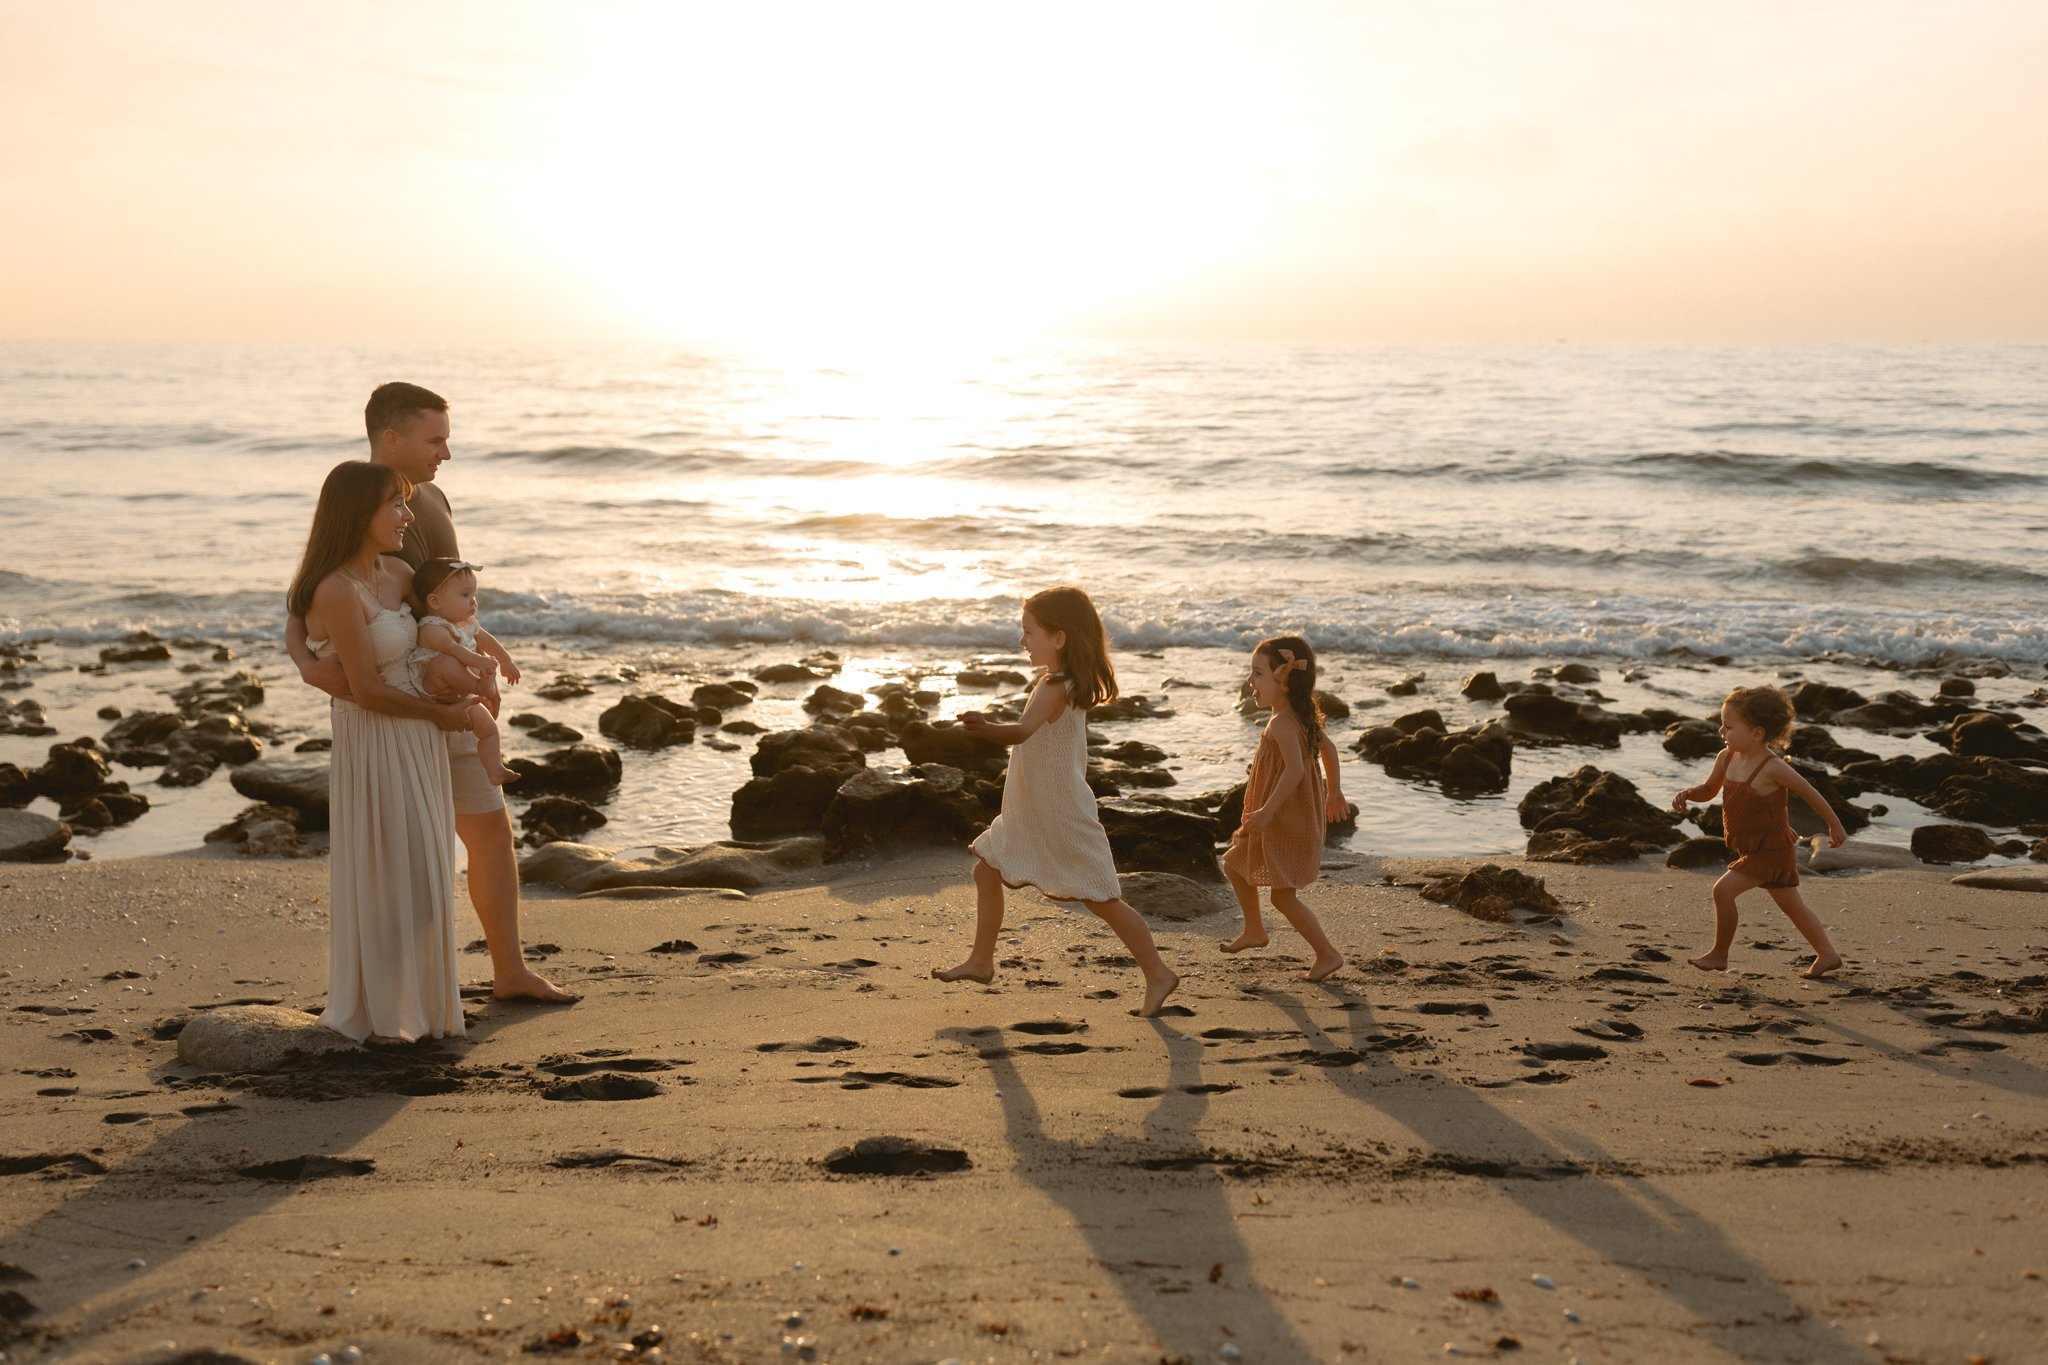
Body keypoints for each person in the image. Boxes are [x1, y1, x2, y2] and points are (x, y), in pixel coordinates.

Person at [285, 382, 574, 1005]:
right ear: (391, 439)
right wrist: (306, 660)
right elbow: (312, 586)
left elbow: (444, 601)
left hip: (445, 693)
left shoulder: (428, 499)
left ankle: (509, 971)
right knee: (415, 853)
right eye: (435, 439)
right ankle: (406, 992)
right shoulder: (362, 503)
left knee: (490, 832)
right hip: (406, 702)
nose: (447, 451)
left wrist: (482, 663)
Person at [289, 461, 475, 1043]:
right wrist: (308, 667)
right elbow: (367, 690)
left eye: (407, 503)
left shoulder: (399, 573)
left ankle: (424, 1008)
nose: (407, 516)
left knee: (427, 871)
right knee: (390, 869)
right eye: (395, 505)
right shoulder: (336, 590)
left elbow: (453, 621)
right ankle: (385, 1015)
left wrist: (465, 687)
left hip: (419, 737)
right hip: (375, 741)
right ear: (356, 514)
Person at [932, 586, 1181, 1017]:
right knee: (986, 868)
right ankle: (981, 961)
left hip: (1060, 811)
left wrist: (985, 727)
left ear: (1059, 637)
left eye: (1029, 632)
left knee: (1101, 897)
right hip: (1035, 808)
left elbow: (1022, 731)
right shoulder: (1061, 682)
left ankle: (1158, 972)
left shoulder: (1056, 686)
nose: (1022, 641)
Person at [1671, 684, 1847, 979]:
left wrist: (1835, 825)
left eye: (1729, 726)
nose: (1721, 732)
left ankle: (1719, 954)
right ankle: (1828, 955)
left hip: (1772, 849)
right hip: (1750, 847)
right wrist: (1689, 793)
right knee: (1793, 906)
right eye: (1721, 725)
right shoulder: (1726, 757)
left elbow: (1810, 793)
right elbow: (1709, 789)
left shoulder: (1772, 767)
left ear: (1757, 733)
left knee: (1723, 891)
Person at [1218, 635, 1346, 981]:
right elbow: (1330, 751)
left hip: (1284, 818)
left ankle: (1317, 950)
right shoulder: (1301, 719)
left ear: (1284, 680)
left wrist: (1266, 812)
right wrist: (1333, 791)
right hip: (1296, 817)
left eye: (1258, 673)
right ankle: (1262, 932)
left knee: (1242, 868)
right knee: (1268, 886)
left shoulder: (1282, 724)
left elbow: (1295, 770)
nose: (1250, 681)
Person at [406, 557, 520, 786]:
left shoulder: (468, 623)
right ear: (435, 602)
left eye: (474, 595)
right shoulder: (432, 628)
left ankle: (495, 769)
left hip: (461, 690)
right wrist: (479, 663)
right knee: (445, 661)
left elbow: (486, 640)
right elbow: (454, 650)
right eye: (465, 595)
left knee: (488, 729)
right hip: (433, 687)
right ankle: (480, 686)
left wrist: (505, 660)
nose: (473, 602)